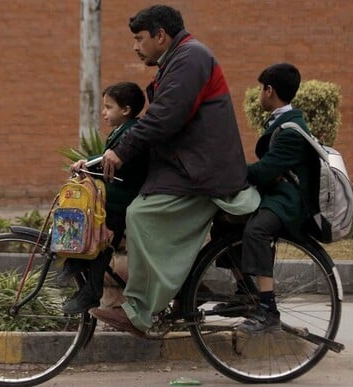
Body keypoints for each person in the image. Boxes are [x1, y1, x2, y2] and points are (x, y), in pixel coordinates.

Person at [90, 5, 259, 336]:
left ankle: (140, 311)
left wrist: (122, 151)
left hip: (203, 174)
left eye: (139, 39)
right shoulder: (179, 59)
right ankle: (178, 293)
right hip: (190, 167)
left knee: (141, 214)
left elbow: (165, 116)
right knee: (141, 209)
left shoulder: (190, 58)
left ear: (160, 36)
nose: (135, 47)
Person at [231, 62, 320, 333]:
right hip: (276, 194)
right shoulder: (284, 121)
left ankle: (268, 310)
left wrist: (231, 170)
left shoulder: (292, 129)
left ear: (269, 90)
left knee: (257, 231)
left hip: (289, 202)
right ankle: (246, 291)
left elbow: (265, 170)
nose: (259, 93)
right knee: (226, 222)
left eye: (261, 88)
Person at [60, 81, 149, 314]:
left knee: (102, 240)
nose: (104, 112)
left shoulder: (132, 131)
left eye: (109, 107)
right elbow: (107, 159)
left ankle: (91, 288)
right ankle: (77, 262)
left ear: (126, 110)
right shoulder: (123, 130)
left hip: (123, 200)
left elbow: (118, 164)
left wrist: (91, 165)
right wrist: (87, 163)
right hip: (117, 195)